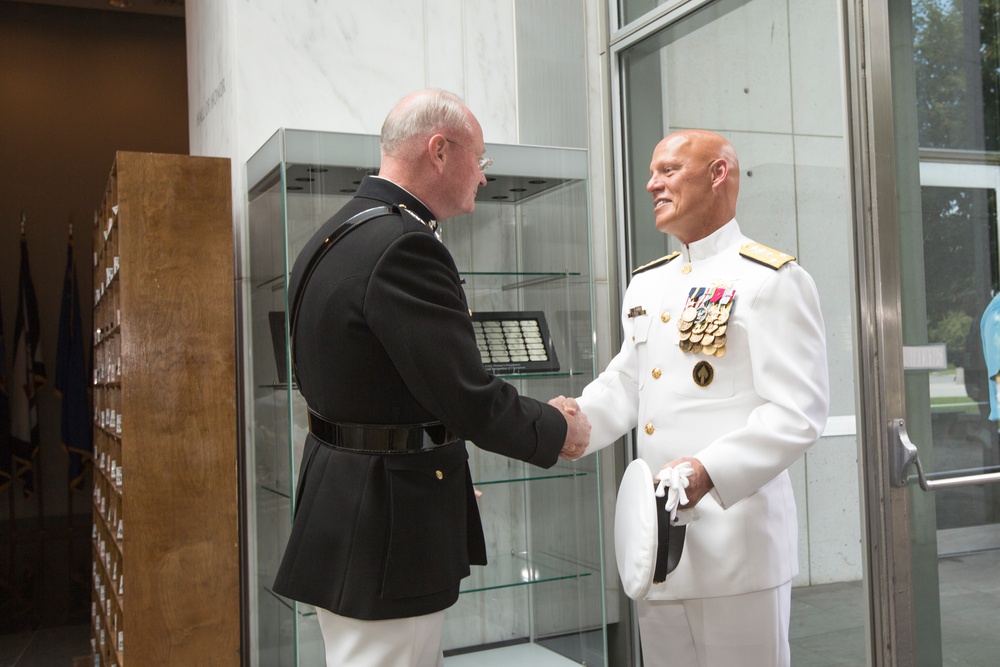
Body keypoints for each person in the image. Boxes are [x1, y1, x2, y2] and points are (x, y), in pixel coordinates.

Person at [272, 88, 590, 667]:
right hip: (386, 520)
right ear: (439, 151)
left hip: (351, 496)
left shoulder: (336, 233)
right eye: (481, 159)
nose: (485, 178)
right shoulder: (403, 246)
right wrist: (556, 428)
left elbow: (374, 390)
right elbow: (466, 396)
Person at [554, 129, 829, 666]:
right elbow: (629, 381)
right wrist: (575, 423)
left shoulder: (770, 281)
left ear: (718, 174)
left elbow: (799, 412)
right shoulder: (647, 285)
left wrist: (707, 470)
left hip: (737, 551)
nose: (652, 183)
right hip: (657, 548)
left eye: (668, 170)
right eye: (652, 172)